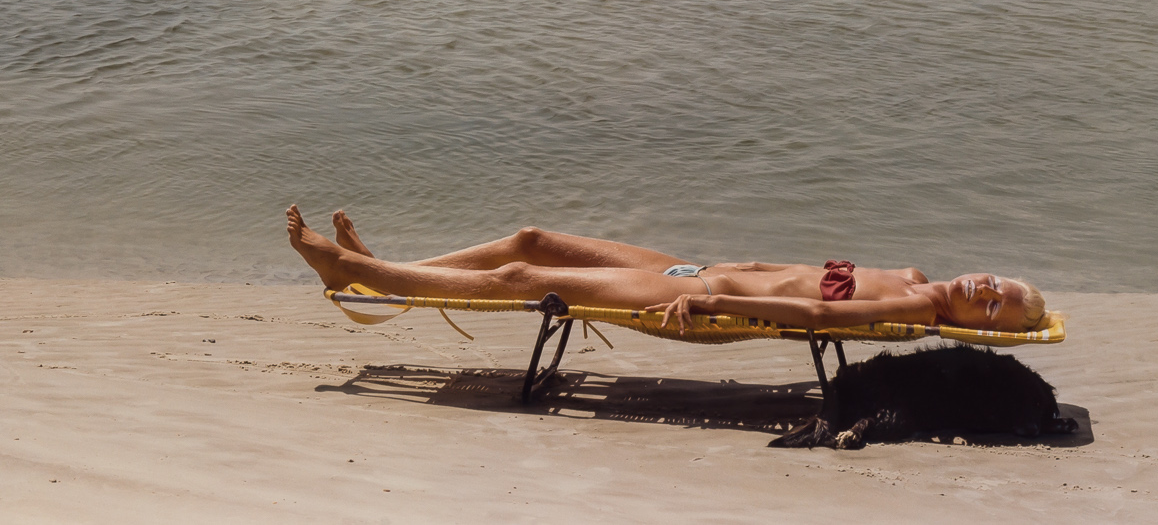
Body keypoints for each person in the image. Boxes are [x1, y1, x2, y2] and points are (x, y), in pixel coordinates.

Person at [285, 207, 1045, 335]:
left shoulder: (914, 310)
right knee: (534, 238)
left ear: (977, 325)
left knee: (527, 279)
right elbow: (789, 269)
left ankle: (352, 268)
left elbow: (813, 315)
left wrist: (714, 308)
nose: (989, 291)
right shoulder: (911, 270)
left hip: (701, 296)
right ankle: (385, 268)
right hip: (699, 266)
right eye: (1000, 283)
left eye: (997, 307)